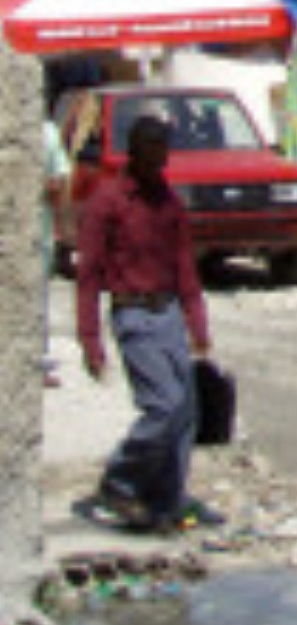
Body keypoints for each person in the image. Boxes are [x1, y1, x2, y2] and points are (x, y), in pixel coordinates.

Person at [76, 115, 213, 532]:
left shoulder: (168, 202)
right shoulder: (109, 201)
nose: (158, 166)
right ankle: (120, 481)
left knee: (187, 410)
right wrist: (90, 341)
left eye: (163, 158)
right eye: (151, 157)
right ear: (134, 154)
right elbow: (89, 274)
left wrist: (197, 325)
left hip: (168, 311)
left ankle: (167, 498)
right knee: (162, 406)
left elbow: (184, 265)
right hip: (132, 314)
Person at [42, 117, 71, 386]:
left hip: (39, 232)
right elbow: (58, 183)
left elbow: (59, 183)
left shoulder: (48, 133)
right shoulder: (48, 133)